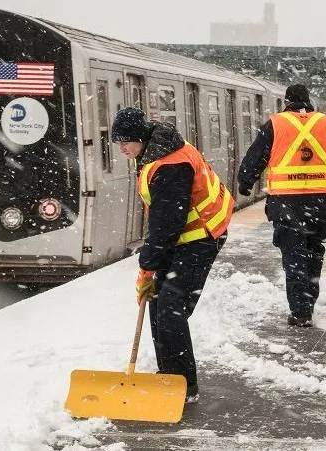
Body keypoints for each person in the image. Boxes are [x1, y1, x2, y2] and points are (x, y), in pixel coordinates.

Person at [111, 107, 234, 403]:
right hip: (182, 238)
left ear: (141, 137)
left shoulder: (169, 165)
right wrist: (152, 266)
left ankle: (183, 384)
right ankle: (169, 374)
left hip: (202, 236)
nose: (123, 148)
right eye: (118, 143)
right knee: (157, 303)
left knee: (170, 307)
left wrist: (147, 265)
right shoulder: (154, 152)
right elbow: (163, 221)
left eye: (127, 141)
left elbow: (167, 221)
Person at [238, 84, 326, 327]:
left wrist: (245, 181)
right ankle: (308, 303)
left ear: (286, 103)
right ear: (310, 103)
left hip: (287, 204)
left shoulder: (275, 124)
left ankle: (300, 311)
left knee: (294, 257)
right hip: (321, 204)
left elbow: (255, 157)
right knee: (314, 253)